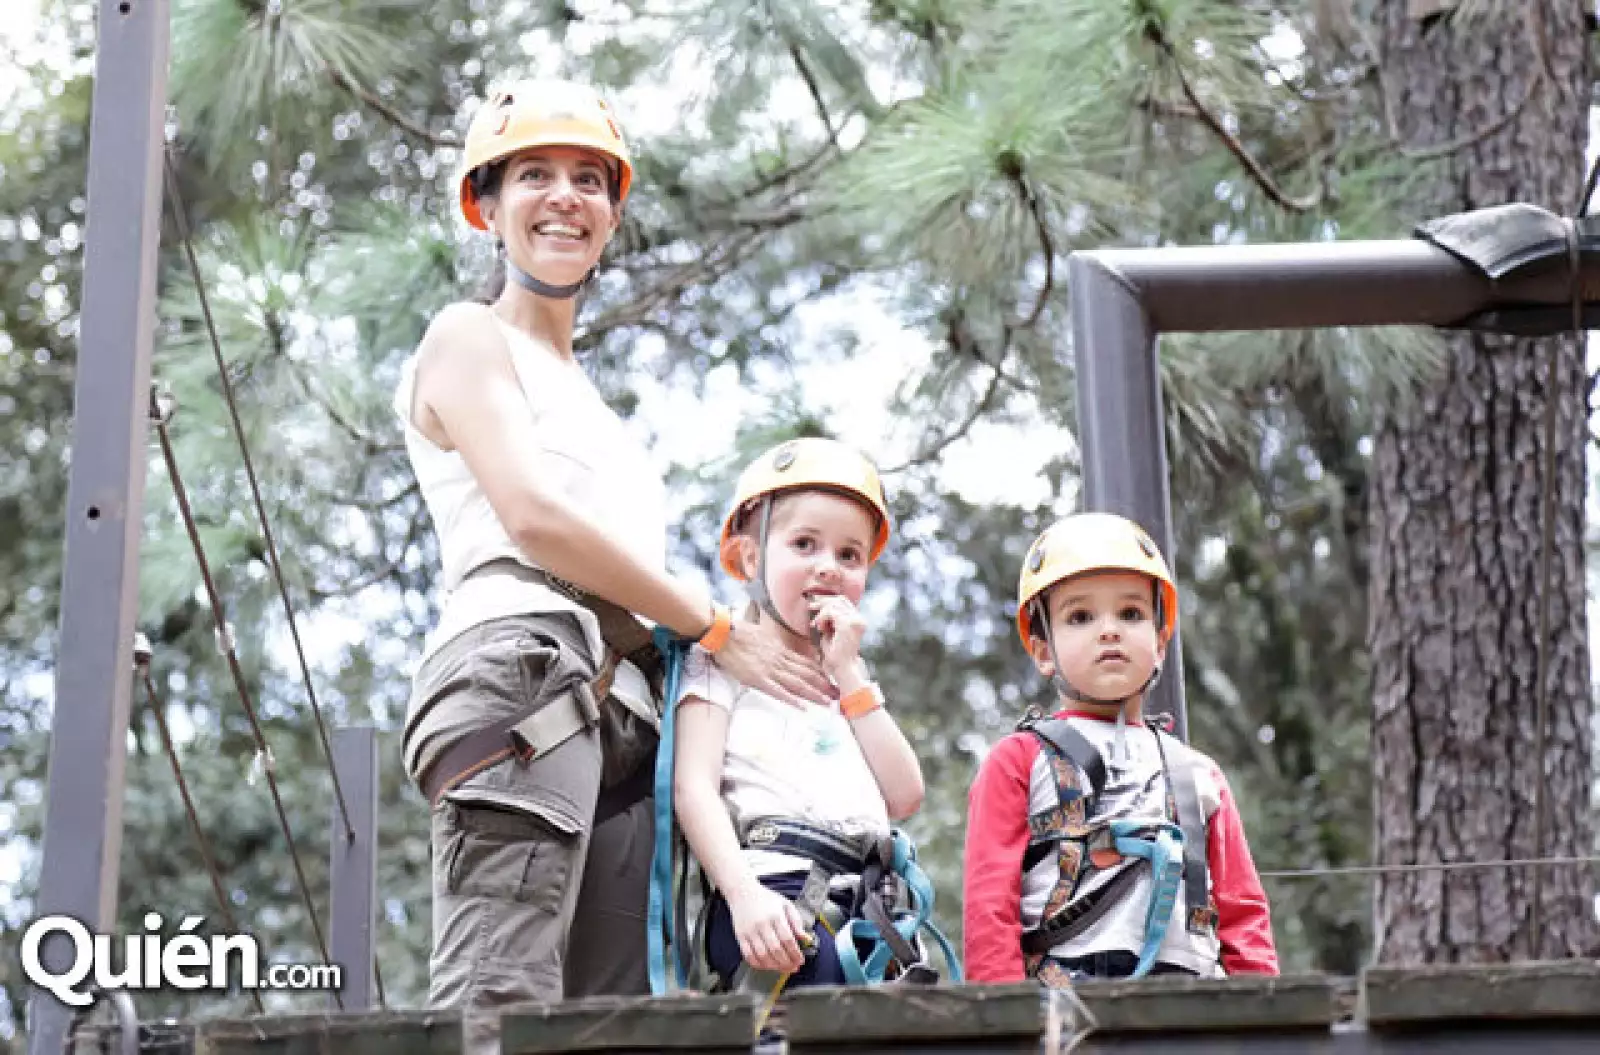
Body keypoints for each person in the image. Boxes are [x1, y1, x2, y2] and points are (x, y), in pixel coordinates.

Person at [392, 79, 835, 1050]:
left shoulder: (594, 406)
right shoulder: (468, 337)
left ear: (612, 213)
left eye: (588, 179)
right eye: (535, 175)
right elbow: (535, 518)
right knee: (500, 1000)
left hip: (615, 714)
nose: (564, 196)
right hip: (520, 677)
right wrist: (716, 627)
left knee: (611, 1024)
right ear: (487, 204)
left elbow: (621, 586)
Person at [962, 512, 1277, 985]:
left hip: (1192, 1000)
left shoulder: (1199, 774)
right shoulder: (1019, 760)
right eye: (1080, 616)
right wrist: (1002, 1023)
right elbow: (990, 905)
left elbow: (1242, 912)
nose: (1108, 630)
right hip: (1063, 998)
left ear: (1160, 641)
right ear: (1044, 650)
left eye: (1131, 614)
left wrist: (1265, 1017)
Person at [671, 438, 931, 994]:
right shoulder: (719, 660)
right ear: (749, 558)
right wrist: (743, 896)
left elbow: (904, 795)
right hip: (775, 897)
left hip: (870, 907)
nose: (828, 568)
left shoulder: (849, 678)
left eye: (849, 555)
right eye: (804, 544)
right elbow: (693, 789)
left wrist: (851, 676)